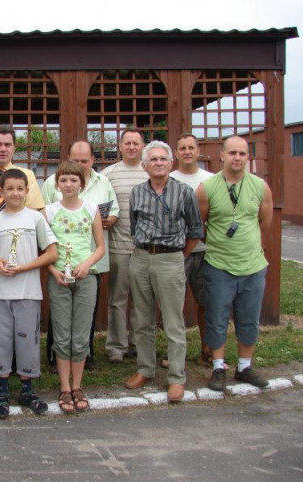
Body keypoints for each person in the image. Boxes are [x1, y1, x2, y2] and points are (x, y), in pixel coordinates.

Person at [124, 140, 203, 403]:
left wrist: (177, 256)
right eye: (153, 160)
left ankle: (177, 377)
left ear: (171, 163)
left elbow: (195, 231)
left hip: (171, 260)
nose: (158, 163)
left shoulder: (184, 192)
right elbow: (135, 227)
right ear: (145, 166)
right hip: (141, 258)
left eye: (163, 159)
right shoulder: (136, 193)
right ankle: (145, 369)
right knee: (141, 319)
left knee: (173, 321)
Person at [196, 135, 273, 391]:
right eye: (232, 153)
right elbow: (201, 223)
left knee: (248, 318)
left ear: (247, 157)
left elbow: (264, 222)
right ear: (222, 155)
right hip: (218, 264)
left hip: (252, 265)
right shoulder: (207, 188)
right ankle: (218, 367)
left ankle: (244, 366)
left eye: (242, 153)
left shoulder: (260, 186)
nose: (237, 158)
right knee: (217, 317)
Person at [0, 169, 58, 418]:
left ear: (27, 191)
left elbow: (52, 253)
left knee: (28, 340)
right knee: (0, 340)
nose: (15, 193)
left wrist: (25, 267)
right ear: (1, 192)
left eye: (20, 188)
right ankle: (2, 391)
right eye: (9, 188)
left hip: (28, 291)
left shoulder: (35, 219)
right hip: (0, 292)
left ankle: (27, 390)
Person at [0, 125, 45, 369]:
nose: (3, 149)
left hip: (17, 256)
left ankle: (16, 365)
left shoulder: (27, 175)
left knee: (19, 314)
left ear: (14, 147)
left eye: (8, 144)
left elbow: (36, 212)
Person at [41, 140, 119, 371]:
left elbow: (114, 213)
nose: (81, 164)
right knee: (60, 314)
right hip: (59, 261)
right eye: (76, 160)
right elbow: (43, 220)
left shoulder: (103, 182)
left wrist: (104, 220)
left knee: (87, 313)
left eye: (85, 161)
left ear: (93, 160)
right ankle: (56, 357)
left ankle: (86, 355)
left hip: (90, 260)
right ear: (67, 158)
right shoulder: (49, 184)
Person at [46, 161, 105, 413]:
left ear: (82, 183)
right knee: (61, 334)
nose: (68, 184)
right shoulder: (48, 212)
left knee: (80, 335)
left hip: (86, 277)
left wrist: (86, 264)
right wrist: (53, 270)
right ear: (57, 184)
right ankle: (64, 387)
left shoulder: (92, 209)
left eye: (73, 180)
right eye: (63, 180)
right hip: (59, 278)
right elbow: (44, 250)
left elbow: (100, 246)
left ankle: (78, 385)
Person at [164, 133, 214, 366]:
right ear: (176, 153)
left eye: (191, 147)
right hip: (177, 253)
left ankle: (208, 347)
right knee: (174, 306)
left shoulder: (211, 179)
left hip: (206, 252)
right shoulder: (168, 179)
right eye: (182, 148)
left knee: (207, 303)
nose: (186, 151)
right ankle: (175, 353)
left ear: (197, 150)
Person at [102, 128, 148, 364]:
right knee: (117, 300)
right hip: (119, 247)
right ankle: (116, 347)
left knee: (142, 300)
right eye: (127, 143)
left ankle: (138, 344)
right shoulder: (109, 174)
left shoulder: (151, 171)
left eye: (136, 143)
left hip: (145, 249)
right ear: (120, 146)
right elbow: (102, 209)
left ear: (142, 146)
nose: (131, 147)